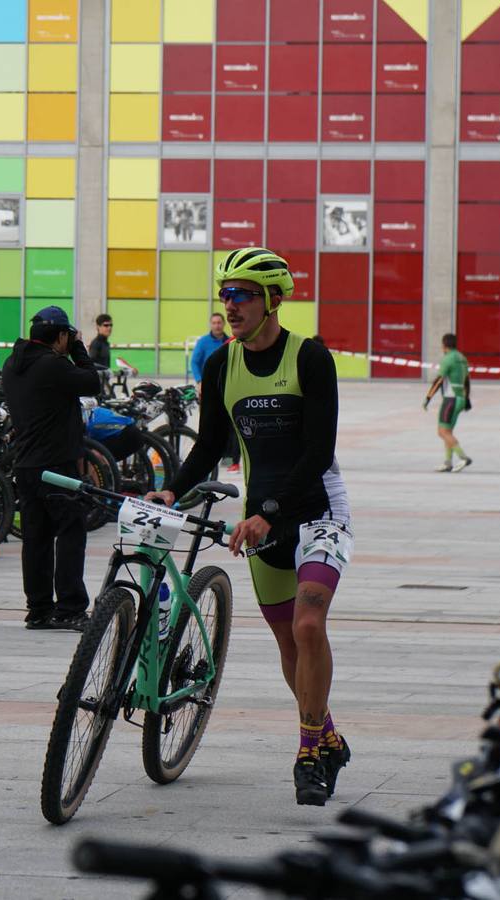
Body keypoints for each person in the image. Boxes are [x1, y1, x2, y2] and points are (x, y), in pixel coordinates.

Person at [149, 247, 352, 808]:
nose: (230, 305)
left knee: (310, 626)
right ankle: (328, 731)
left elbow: (318, 451)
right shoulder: (221, 364)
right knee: (289, 641)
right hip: (260, 520)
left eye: (242, 294)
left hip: (316, 508)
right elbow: (211, 443)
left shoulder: (310, 358)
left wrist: (270, 512)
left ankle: (309, 751)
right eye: (225, 294)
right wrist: (173, 486)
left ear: (274, 299)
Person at [0, 306, 101, 632]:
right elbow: (92, 382)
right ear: (60, 336)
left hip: (26, 463)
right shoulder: (52, 365)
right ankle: (70, 608)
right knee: (71, 534)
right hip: (57, 465)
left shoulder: (12, 365)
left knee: (36, 540)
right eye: (67, 337)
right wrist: (79, 349)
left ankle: (39, 609)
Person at [190, 312, 241, 472]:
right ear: (211, 324)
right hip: (208, 389)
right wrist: (199, 381)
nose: (217, 325)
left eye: (219, 322)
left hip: (227, 388)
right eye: (214, 323)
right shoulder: (203, 342)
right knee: (209, 422)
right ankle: (208, 456)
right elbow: (194, 362)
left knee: (229, 424)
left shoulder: (229, 341)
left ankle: (228, 457)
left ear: (223, 324)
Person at [423, 332, 472, 472]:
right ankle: (448, 462)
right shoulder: (462, 358)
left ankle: (463, 457)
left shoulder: (448, 359)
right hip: (461, 397)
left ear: (444, 345)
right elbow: (467, 380)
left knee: (442, 431)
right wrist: (467, 398)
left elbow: (439, 380)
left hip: (450, 399)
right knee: (448, 431)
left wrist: (427, 398)